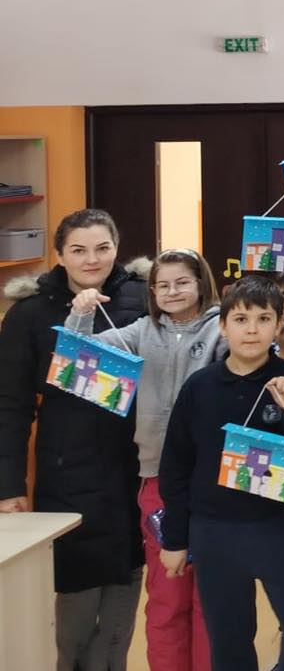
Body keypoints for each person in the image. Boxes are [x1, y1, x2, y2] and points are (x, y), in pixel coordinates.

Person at [0, 208, 149, 669]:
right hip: (66, 467)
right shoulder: (29, 314)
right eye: (79, 250)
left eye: (103, 248)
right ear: (59, 254)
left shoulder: (143, 299)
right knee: (76, 590)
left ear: (117, 248)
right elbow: (10, 405)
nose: (92, 260)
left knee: (127, 576)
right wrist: (8, 487)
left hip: (133, 464)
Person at [157, 275, 284, 671]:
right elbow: (176, 465)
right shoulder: (199, 387)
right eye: (240, 319)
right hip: (215, 531)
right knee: (229, 639)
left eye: (263, 319)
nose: (252, 329)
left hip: (281, 527)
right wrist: (175, 538)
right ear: (222, 325)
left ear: (277, 325)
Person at [66, 247, 224, 671]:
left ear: (201, 283)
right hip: (157, 481)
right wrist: (81, 313)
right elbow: (78, 354)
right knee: (167, 598)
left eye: (182, 282)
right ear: (151, 291)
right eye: (162, 285)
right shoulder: (140, 330)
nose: (172, 291)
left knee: (211, 601)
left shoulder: (222, 329)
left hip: (213, 483)